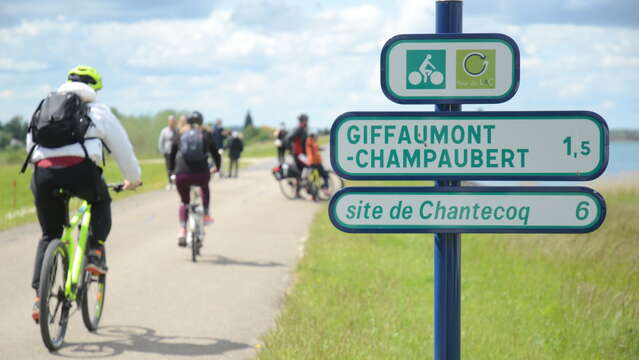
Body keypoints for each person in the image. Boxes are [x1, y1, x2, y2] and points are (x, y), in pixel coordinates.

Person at [26, 65, 142, 323]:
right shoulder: (98, 110)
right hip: (80, 171)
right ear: (94, 88)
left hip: (42, 173)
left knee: (49, 234)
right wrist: (133, 178)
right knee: (100, 201)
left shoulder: (46, 105)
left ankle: (38, 297)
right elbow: (121, 146)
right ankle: (95, 253)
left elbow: (30, 142)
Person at [174, 111, 221, 246]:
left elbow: (171, 152)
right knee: (204, 187)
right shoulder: (206, 133)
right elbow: (215, 153)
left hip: (182, 174)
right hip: (201, 173)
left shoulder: (181, 133)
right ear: (201, 121)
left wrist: (171, 171)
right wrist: (217, 167)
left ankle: (183, 229)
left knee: (184, 202)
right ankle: (206, 214)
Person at [286, 113, 309, 198]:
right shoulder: (299, 129)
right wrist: (291, 150)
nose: (307, 122)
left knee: (300, 173)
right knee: (308, 166)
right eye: (306, 120)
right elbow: (289, 138)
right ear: (303, 121)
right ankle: (301, 187)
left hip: (301, 154)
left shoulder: (303, 129)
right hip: (298, 154)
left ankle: (299, 188)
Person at [158, 115, 179, 189]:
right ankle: (170, 182)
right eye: (171, 121)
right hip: (167, 152)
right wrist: (162, 151)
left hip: (176, 153)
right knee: (169, 168)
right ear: (168, 122)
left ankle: (175, 182)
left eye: (174, 121)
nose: (172, 122)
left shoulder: (177, 130)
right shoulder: (164, 131)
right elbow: (161, 142)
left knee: (176, 167)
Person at [305, 131, 330, 196]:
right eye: (316, 137)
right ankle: (325, 189)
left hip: (312, 163)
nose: (317, 138)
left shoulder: (310, 142)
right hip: (315, 162)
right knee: (325, 175)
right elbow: (312, 150)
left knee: (315, 178)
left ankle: (314, 194)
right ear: (312, 137)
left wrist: (321, 149)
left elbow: (315, 149)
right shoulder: (310, 142)